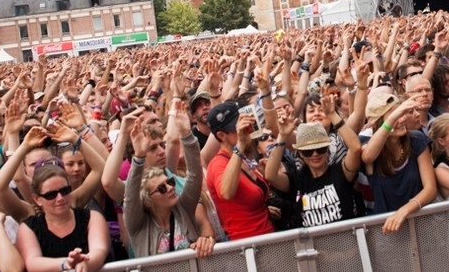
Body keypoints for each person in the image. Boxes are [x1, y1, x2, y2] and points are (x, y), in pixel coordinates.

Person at [124, 101, 215, 257]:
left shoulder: (184, 208)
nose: (170, 188)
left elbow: (194, 175)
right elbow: (130, 197)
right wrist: (139, 157)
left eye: (170, 182)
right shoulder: (138, 225)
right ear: (147, 200)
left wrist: (186, 134)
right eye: (161, 188)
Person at [266, 94, 363, 227]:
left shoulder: (341, 172)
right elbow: (270, 175)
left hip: (347, 244)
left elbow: (356, 148)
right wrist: (282, 137)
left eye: (321, 148)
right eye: (308, 151)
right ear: (300, 153)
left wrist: (333, 115)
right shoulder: (296, 180)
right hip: (312, 247)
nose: (315, 154)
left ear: (328, 148)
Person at [360, 92, 436, 234]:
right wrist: (393, 119)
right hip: (388, 231)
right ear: (377, 123)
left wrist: (404, 211)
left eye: (402, 113)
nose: (401, 120)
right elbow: (368, 157)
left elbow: (430, 189)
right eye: (394, 115)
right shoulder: (370, 147)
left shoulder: (417, 140)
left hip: (421, 225)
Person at [15, 165, 110, 272]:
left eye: (65, 191)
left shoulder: (92, 217)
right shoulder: (29, 227)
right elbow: (32, 262)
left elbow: (99, 250)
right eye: (51, 195)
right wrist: (66, 263)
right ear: (37, 199)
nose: (60, 198)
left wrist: (85, 264)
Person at [204, 101, 274, 240]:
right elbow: (226, 193)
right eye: (237, 129)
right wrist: (240, 145)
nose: (246, 130)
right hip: (247, 248)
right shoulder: (218, 164)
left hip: (266, 239)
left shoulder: (241, 158)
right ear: (221, 135)